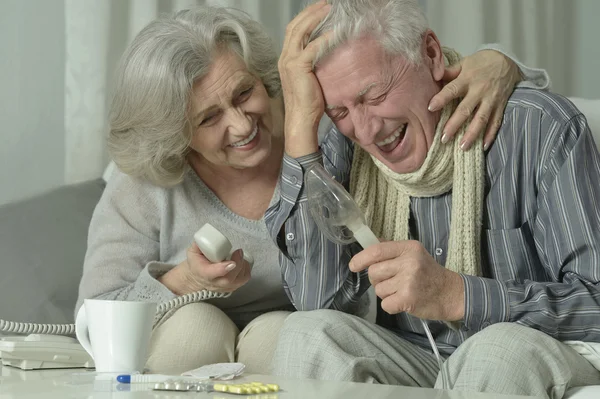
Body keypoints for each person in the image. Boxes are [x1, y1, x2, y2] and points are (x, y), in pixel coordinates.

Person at [75, 4, 549, 375]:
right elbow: (95, 319)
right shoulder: (144, 183)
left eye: (244, 93)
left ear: (263, 77)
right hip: (184, 341)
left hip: (302, 338)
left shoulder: (329, 126)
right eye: (208, 118)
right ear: (174, 133)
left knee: (282, 335)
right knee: (192, 332)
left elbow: (409, 70)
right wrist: (186, 282)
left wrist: (498, 61)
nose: (242, 125)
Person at [272, 0, 600, 398]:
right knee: (304, 333)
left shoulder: (537, 127)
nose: (366, 130)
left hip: (527, 353)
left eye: (374, 95)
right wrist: (299, 127)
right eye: (338, 110)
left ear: (430, 54)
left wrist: (456, 295)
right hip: (417, 358)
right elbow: (315, 300)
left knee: (495, 349)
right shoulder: (343, 147)